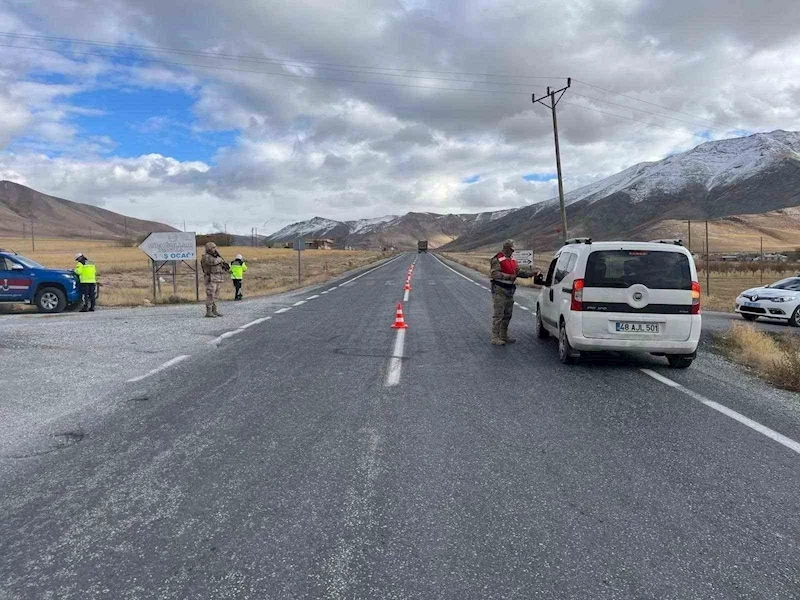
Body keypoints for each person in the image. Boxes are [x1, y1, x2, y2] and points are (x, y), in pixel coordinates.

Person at [489, 239, 538, 345]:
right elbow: (494, 274)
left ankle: (504, 335)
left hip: (510, 290)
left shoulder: (512, 260)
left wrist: (531, 274)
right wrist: (508, 277)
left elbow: (518, 272)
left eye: (513, 250)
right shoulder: (497, 259)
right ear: (506, 248)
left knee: (508, 314)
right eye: (511, 249)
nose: (512, 252)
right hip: (499, 289)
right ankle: (495, 337)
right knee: (499, 314)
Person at [200, 242, 229, 317]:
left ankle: (214, 310)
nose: (214, 249)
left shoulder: (215, 256)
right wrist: (220, 259)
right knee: (210, 295)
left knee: (216, 296)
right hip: (210, 278)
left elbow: (219, 263)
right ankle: (208, 311)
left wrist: (224, 266)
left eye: (215, 248)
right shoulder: (206, 257)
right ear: (209, 249)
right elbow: (213, 262)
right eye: (213, 248)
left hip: (217, 278)